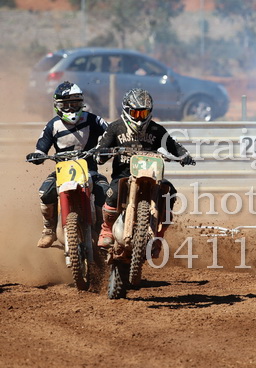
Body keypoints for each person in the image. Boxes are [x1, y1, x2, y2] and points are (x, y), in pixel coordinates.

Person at [95, 88, 195, 256]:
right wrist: (102, 154)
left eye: (144, 113)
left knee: (170, 192)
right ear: (126, 111)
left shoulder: (156, 130)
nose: (140, 118)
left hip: (152, 177)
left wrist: (184, 155)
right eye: (135, 113)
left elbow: (172, 145)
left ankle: (159, 236)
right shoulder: (115, 128)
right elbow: (101, 148)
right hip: (123, 176)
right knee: (113, 194)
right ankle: (107, 230)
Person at [26, 81, 109, 248]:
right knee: (45, 192)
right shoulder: (53, 125)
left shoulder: (94, 120)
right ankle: (49, 229)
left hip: (90, 171)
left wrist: (104, 149)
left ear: (82, 103)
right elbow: (42, 146)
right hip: (62, 172)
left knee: (106, 193)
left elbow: (110, 134)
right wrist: (38, 155)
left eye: (75, 104)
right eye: (66, 105)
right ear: (57, 106)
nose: (71, 109)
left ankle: (104, 229)